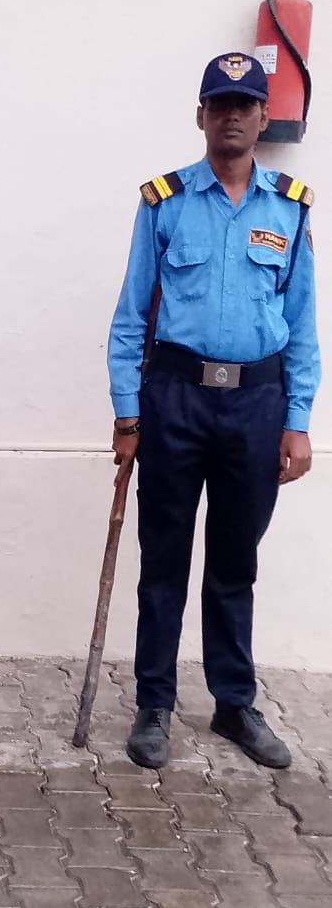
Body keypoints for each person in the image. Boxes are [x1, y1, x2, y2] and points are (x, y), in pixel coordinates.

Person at [108, 51, 318, 770]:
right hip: (173, 397)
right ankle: (153, 705)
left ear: (263, 117)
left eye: (244, 104)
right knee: (161, 559)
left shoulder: (289, 207)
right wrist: (125, 414)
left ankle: (234, 704)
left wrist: (297, 420)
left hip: (256, 404)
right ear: (200, 116)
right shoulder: (163, 201)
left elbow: (302, 325)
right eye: (218, 103)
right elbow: (130, 315)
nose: (230, 115)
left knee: (235, 561)